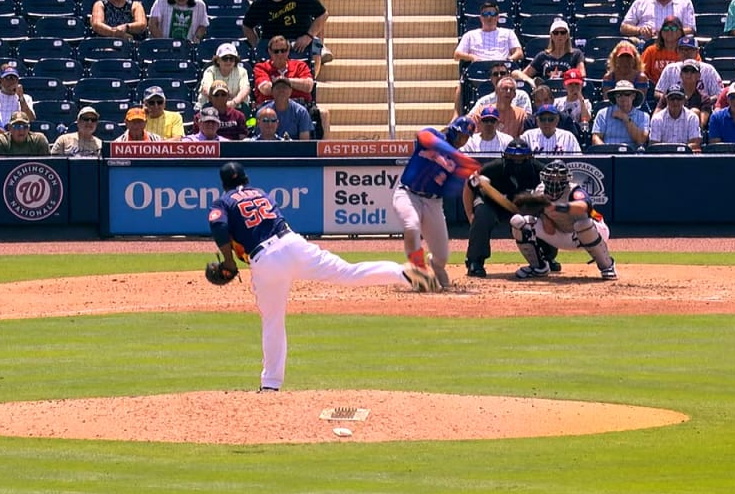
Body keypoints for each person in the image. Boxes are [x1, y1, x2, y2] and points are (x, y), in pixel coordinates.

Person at [206, 162, 437, 392]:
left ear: (224, 184)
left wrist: (227, 261)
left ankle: (271, 385)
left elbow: (218, 224)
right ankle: (405, 273)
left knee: (273, 321)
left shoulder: (223, 201)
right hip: (293, 243)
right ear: (246, 179)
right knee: (348, 272)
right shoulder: (261, 193)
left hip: (266, 260)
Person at [392, 117, 481, 291]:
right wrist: (457, 158)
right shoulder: (434, 136)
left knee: (441, 257)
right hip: (408, 194)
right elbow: (423, 136)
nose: (463, 140)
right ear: (453, 130)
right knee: (411, 226)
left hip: (433, 202)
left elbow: (450, 190)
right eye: (461, 135)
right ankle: (419, 271)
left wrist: (467, 175)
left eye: (466, 137)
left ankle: (434, 266)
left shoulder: (458, 161)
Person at [508, 160, 617, 280]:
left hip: (595, 231)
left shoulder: (574, 190)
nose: (555, 181)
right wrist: (543, 211)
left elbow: (584, 207)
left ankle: (607, 266)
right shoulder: (540, 192)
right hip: (564, 234)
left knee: (582, 225)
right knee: (518, 221)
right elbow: (549, 230)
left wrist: (557, 207)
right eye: (551, 178)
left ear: (566, 179)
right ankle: (539, 267)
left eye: (559, 178)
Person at [462, 138, 545, 278]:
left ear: (529, 157)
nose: (517, 161)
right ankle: (475, 261)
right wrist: (470, 214)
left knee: (545, 214)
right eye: (513, 157)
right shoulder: (493, 168)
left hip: (524, 208)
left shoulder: (538, 170)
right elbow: (469, 186)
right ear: (505, 157)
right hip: (494, 205)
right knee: (482, 214)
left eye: (522, 158)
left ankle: (546, 257)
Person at [451, 1, 524, 118]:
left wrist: (509, 59)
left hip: (502, 70)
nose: (489, 17)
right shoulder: (470, 35)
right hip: (479, 71)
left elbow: (519, 53)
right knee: (461, 84)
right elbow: (457, 54)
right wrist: (472, 57)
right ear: (481, 18)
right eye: (485, 14)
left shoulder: (508, 33)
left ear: (497, 17)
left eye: (492, 13)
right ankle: (456, 116)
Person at [242, 0, 329, 78]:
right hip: (271, 41)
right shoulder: (261, 1)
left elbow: (323, 15)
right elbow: (247, 26)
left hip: (299, 39)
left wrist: (308, 36)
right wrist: (257, 44)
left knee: (315, 47)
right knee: (258, 54)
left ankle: (310, 82)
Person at [252, 35, 329, 139]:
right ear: (270, 52)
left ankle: (322, 152)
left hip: (300, 106)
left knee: (323, 113)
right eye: (276, 51)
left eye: (283, 50)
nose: (280, 54)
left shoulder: (300, 66)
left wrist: (283, 81)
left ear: (288, 50)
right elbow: (265, 89)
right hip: (270, 108)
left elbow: (308, 86)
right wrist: (294, 85)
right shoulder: (261, 67)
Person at [511, 18, 586, 89]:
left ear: (567, 36)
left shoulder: (576, 54)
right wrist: (532, 82)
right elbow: (524, 74)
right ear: (551, 36)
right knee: (515, 72)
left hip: (567, 90)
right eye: (556, 33)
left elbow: (582, 74)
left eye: (563, 32)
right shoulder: (543, 56)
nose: (559, 35)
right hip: (547, 93)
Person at [654, 36, 722, 111]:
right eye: (682, 49)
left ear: (697, 51)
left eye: (690, 49)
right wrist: (672, 99)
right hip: (673, 111)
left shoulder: (708, 70)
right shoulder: (670, 69)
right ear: (677, 51)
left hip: (701, 109)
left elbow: (720, 94)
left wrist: (705, 101)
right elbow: (658, 92)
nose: (686, 52)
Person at [654, 58, 716, 132]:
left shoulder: (704, 98)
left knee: (695, 112)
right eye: (685, 71)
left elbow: (701, 124)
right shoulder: (669, 94)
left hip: (690, 134)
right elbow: (655, 117)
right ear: (680, 75)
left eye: (692, 71)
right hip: (667, 131)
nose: (689, 74)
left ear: (698, 76)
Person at [620, 0, 696, 40]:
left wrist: (669, 32)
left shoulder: (685, 3)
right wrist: (640, 30)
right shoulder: (641, 1)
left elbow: (691, 30)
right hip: (645, 46)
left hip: (675, 47)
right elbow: (624, 27)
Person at [195, 42, 252, 118]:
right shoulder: (210, 71)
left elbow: (245, 89)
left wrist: (234, 103)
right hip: (211, 106)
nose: (228, 61)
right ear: (218, 60)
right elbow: (207, 89)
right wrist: (220, 103)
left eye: (231, 58)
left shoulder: (242, 72)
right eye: (225, 58)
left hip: (235, 106)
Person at [591, 80, 650, 147]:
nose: (623, 98)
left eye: (627, 94)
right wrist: (607, 152)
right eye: (619, 95)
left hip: (633, 155)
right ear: (615, 97)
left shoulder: (644, 116)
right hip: (608, 154)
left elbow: (641, 140)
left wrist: (626, 119)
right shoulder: (603, 113)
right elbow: (596, 138)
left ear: (633, 96)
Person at [648, 84, 702, 151]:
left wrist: (676, 151)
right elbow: (654, 146)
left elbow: (695, 143)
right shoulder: (657, 119)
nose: (675, 102)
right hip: (663, 159)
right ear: (666, 100)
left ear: (684, 100)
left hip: (686, 159)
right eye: (672, 98)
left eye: (679, 98)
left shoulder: (692, 118)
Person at [640, 15, 687, 85]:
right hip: (654, 90)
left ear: (680, 32)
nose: (669, 31)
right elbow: (640, 72)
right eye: (666, 28)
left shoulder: (688, 51)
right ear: (661, 32)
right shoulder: (651, 51)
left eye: (673, 28)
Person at [553, 68, 593, 142]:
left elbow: (586, 120)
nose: (574, 87)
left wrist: (581, 99)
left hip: (577, 136)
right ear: (565, 85)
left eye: (577, 84)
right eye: (570, 84)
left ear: (581, 85)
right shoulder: (557, 102)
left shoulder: (586, 102)